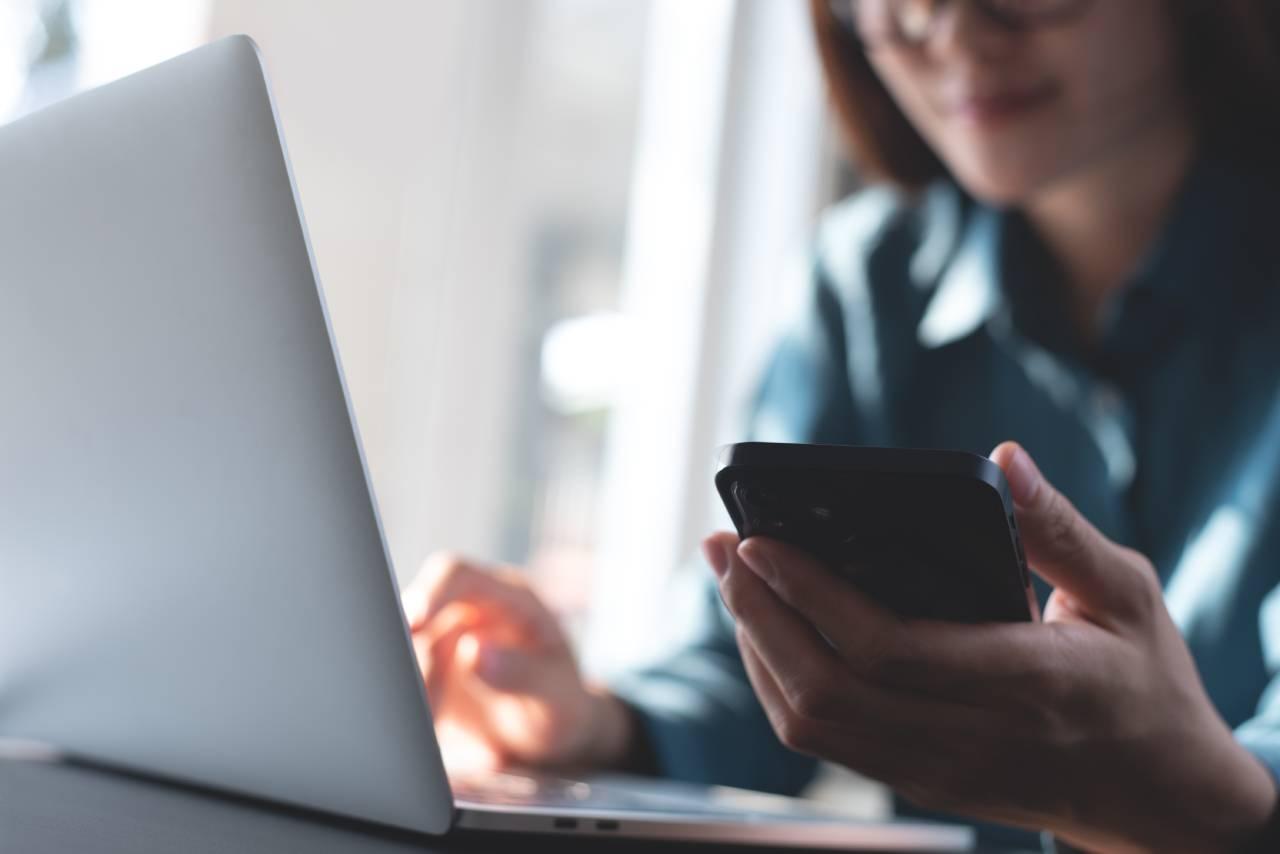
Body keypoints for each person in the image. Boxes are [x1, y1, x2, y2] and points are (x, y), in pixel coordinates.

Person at [403, 0, 1280, 848]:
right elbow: (751, 673)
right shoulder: (866, 284)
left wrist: (1198, 809)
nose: (955, 35)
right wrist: (587, 724)